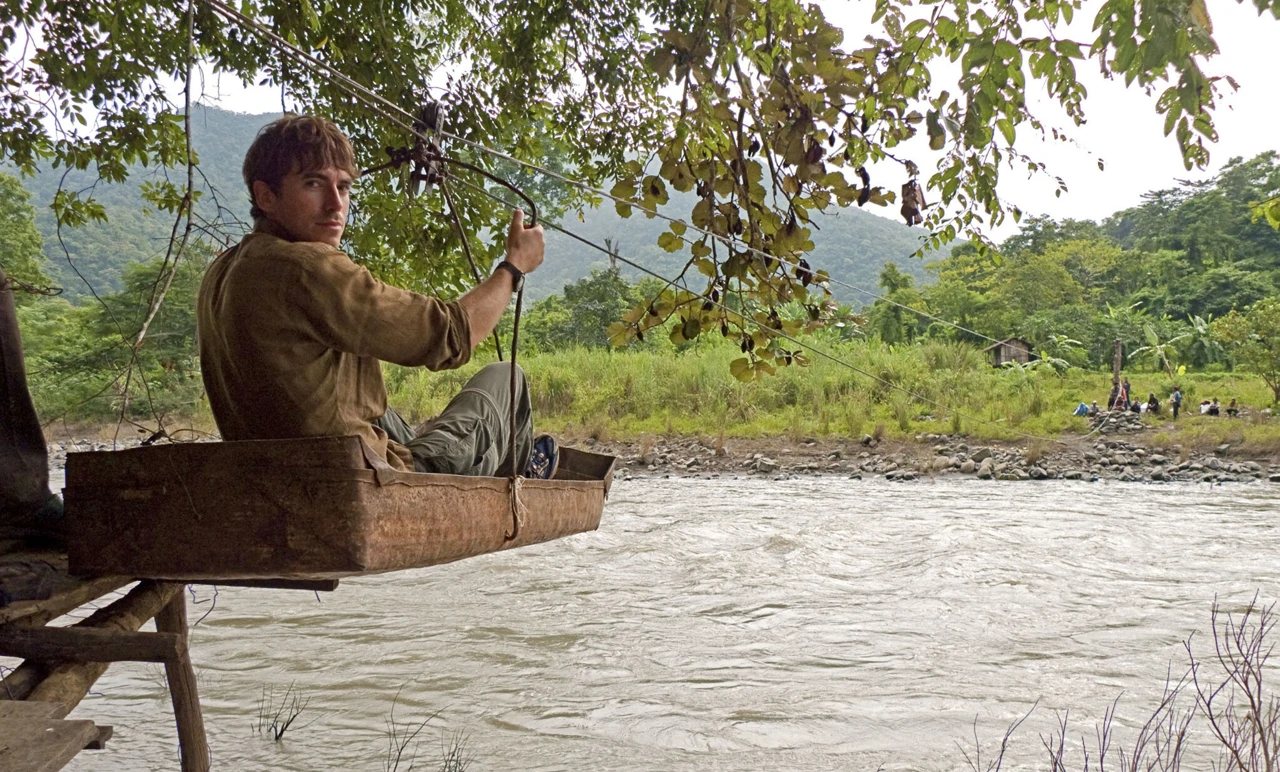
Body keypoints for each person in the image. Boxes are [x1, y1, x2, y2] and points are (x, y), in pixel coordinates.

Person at [197, 114, 556, 479]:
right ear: (266, 196)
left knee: (380, 408)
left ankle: (479, 455)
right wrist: (513, 267)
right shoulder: (306, 268)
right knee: (506, 377)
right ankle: (513, 479)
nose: (335, 204)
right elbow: (451, 335)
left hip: (277, 477)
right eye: (313, 184)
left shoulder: (223, 272)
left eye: (344, 187)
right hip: (362, 482)